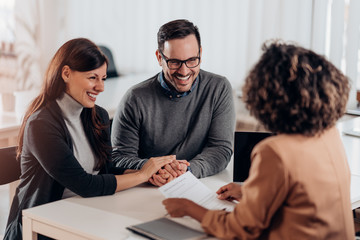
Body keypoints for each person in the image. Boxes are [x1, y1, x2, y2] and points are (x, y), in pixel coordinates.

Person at [163, 41, 355, 239]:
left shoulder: (275, 151)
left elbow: (241, 228)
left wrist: (188, 207)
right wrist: (250, 192)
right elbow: (306, 196)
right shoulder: (329, 134)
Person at [4, 38, 173, 240]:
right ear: (66, 73)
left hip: (83, 213)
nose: (100, 87)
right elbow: (85, 184)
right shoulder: (41, 125)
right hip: (42, 227)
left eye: (103, 78)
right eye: (93, 78)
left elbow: (106, 169)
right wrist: (141, 176)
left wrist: (150, 172)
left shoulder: (97, 116)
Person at [111, 19, 235, 186]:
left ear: (200, 53)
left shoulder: (219, 88)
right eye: (174, 62)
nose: (184, 71)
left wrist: (187, 170)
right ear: (159, 57)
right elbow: (119, 158)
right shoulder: (135, 98)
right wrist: (154, 169)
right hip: (146, 189)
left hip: (199, 184)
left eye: (192, 60)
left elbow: (220, 149)